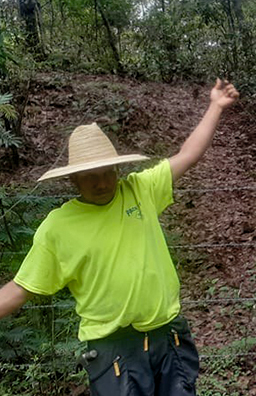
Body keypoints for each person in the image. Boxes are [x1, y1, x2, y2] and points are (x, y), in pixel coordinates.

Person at [0, 79, 240, 395]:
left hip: (168, 336)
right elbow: (22, 287)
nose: (101, 183)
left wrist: (216, 106)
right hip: (112, 348)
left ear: (117, 170)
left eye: (107, 173)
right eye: (90, 177)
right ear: (73, 180)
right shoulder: (58, 227)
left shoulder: (140, 190)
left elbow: (188, 154)